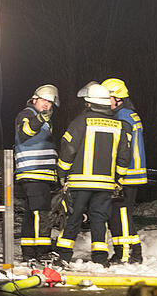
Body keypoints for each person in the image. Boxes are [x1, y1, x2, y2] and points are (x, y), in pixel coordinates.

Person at [54, 83, 132, 265]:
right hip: (105, 185)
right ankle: (100, 258)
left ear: (89, 103)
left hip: (80, 183)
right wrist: (118, 179)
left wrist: (62, 173)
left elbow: (68, 149)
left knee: (73, 218)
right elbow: (124, 156)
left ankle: (63, 256)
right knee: (99, 221)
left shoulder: (81, 121)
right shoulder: (118, 126)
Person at [101, 77, 146, 264]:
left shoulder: (122, 117)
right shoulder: (128, 114)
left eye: (106, 98)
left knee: (121, 215)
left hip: (126, 174)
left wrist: (117, 174)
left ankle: (127, 255)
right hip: (130, 173)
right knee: (119, 215)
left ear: (117, 98)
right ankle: (130, 253)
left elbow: (122, 149)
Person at [14, 84, 60, 262]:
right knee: (41, 212)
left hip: (41, 173)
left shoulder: (44, 119)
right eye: (43, 101)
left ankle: (30, 251)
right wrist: (40, 119)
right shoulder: (27, 115)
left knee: (31, 213)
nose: (47, 105)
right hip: (33, 171)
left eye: (50, 102)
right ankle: (43, 250)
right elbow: (25, 133)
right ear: (34, 99)